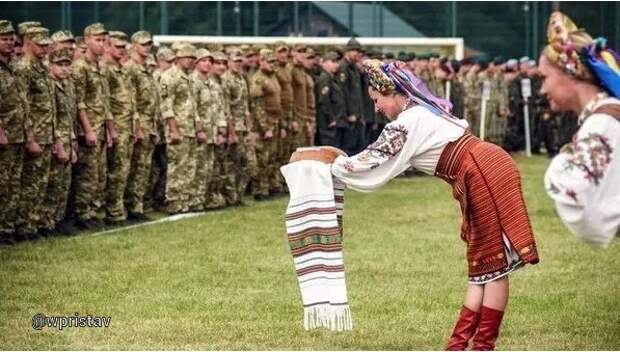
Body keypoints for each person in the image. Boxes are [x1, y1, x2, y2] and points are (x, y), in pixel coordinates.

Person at [291, 60, 540, 350]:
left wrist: (326, 164)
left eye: (377, 100)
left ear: (393, 93)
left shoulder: (408, 123)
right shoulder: (420, 113)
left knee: (492, 266)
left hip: (482, 172)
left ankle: (480, 346)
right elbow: (372, 159)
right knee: (481, 267)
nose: (376, 108)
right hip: (483, 168)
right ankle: (459, 346)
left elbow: (369, 161)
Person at [541, 11, 620, 247]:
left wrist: (563, 157)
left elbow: (576, 199)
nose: (542, 89)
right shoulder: (608, 114)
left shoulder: (603, 123)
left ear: (571, 73)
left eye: (545, 77)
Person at [13, 26, 55, 239]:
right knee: (28, 184)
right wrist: (30, 137)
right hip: (34, 135)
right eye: (40, 45)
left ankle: (32, 224)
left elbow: (49, 106)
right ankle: (21, 226)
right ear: (27, 43)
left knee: (40, 183)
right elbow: (24, 105)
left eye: (47, 45)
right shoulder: (24, 69)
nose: (45, 49)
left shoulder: (41, 68)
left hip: (47, 134)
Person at [0, 20, 28, 244]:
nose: (9, 43)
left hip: (18, 134)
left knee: (13, 184)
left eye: (11, 39)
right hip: (4, 134)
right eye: (4, 39)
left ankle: (8, 229)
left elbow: (23, 103)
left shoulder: (16, 66)